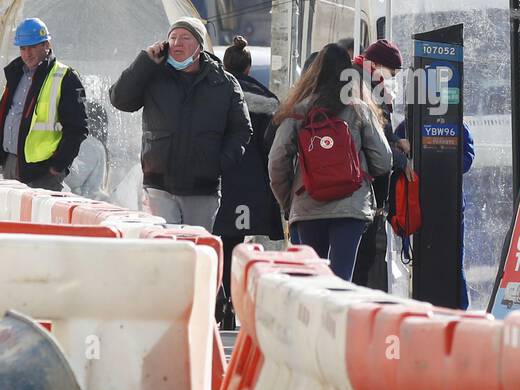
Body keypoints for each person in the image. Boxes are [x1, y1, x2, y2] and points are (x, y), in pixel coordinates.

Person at [109, 16, 251, 229]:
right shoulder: (153, 74)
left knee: (196, 248)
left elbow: (241, 130)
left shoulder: (223, 82)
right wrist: (144, 62)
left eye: (185, 38)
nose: (177, 43)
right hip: (159, 184)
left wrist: (218, 163)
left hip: (202, 187)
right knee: (164, 247)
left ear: (199, 47)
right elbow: (120, 100)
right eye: (173, 37)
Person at [268, 43, 392, 282]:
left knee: (312, 279)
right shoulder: (360, 109)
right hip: (351, 205)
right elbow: (384, 160)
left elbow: (277, 160)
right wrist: (363, 177)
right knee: (341, 278)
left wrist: (288, 201)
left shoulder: (297, 112)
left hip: (307, 203)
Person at [213, 36, 285, 306]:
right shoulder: (267, 101)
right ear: (248, 69)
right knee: (237, 241)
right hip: (250, 182)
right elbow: (272, 146)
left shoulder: (213, 93)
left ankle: (218, 292)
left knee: (213, 237)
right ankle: (234, 298)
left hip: (217, 177)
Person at [0, 18, 88, 191]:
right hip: (11, 163)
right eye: (23, 48)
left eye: (32, 47)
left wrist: (57, 166)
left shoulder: (65, 77)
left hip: (43, 172)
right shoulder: (16, 74)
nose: (27, 53)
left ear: (46, 45)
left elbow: (78, 128)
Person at [392, 117, 475, 308]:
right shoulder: (409, 125)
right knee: (428, 260)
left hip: (448, 203)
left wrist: (436, 165)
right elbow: (393, 157)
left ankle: (460, 310)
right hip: (421, 203)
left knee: (453, 260)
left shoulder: (456, 123)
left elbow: (467, 159)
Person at [351, 39, 408, 291]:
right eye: (391, 71)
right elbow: (376, 137)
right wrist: (400, 157)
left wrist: (396, 141)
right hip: (364, 180)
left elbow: (382, 130)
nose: (392, 77)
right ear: (375, 64)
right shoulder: (363, 84)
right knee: (361, 256)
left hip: (364, 178)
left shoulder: (369, 81)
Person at [66, 98, 109, 202]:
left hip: (81, 203)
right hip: (88, 202)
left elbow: (72, 179)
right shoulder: (95, 145)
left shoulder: (89, 145)